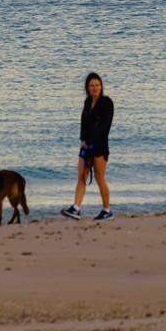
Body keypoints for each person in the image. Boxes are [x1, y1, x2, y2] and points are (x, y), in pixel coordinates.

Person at [61, 72, 114, 221]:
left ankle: (107, 210)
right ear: (87, 87)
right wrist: (83, 140)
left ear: (101, 86)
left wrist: (92, 142)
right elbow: (83, 123)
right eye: (91, 85)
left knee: (99, 178)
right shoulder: (87, 102)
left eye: (97, 85)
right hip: (86, 145)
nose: (95, 88)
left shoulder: (107, 103)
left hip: (100, 146)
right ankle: (76, 208)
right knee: (81, 177)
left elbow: (105, 127)